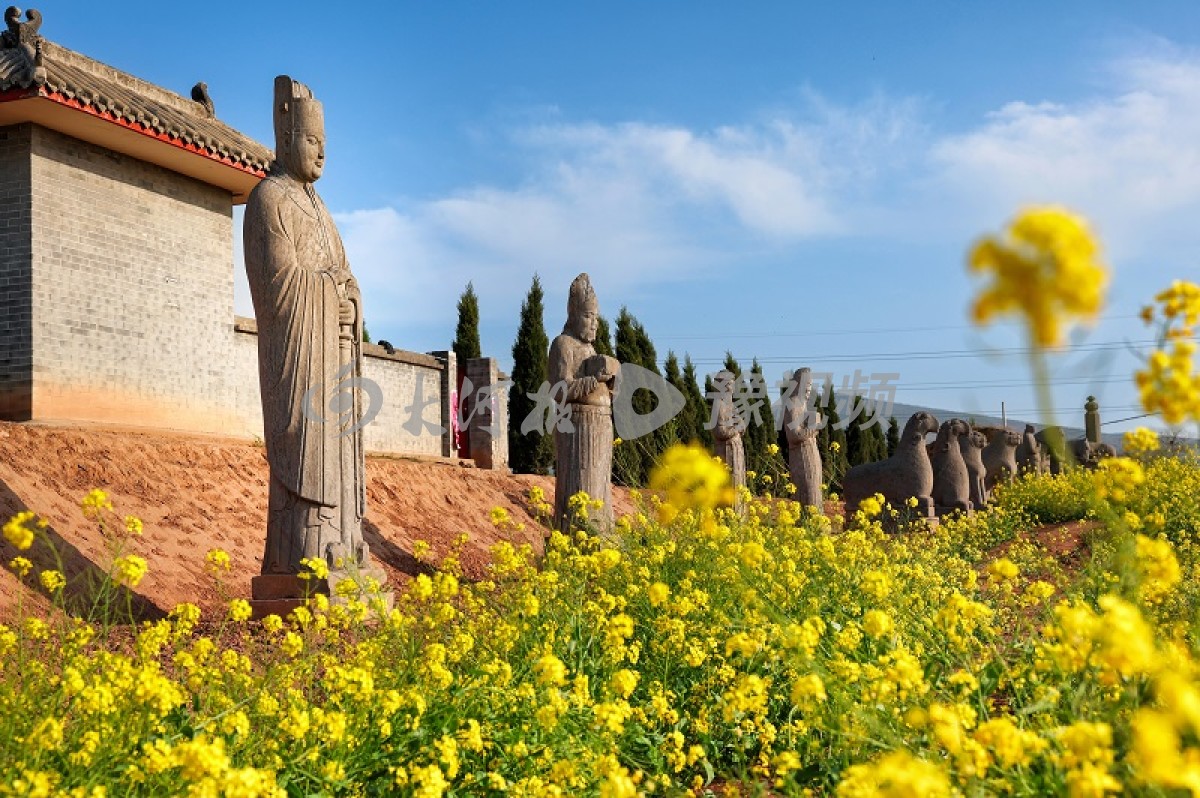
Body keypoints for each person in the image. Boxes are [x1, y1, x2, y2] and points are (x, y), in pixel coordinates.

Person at [243, 76, 367, 575]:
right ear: (288, 136)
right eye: (313, 142)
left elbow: (349, 276)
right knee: (308, 471)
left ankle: (348, 544)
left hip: (335, 354)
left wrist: (350, 303)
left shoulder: (322, 211)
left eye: (325, 144)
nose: (321, 154)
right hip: (302, 356)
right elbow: (278, 285)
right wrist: (327, 292)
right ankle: (304, 558)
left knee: (340, 465)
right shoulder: (268, 200)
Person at [547, 273, 618, 533]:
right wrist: (592, 380)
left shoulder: (589, 350)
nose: (593, 324)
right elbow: (558, 389)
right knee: (581, 482)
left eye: (596, 318)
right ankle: (578, 535)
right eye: (588, 317)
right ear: (574, 314)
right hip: (577, 427)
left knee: (600, 484)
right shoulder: (563, 344)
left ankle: (602, 532)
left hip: (601, 425)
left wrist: (611, 383)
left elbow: (604, 392)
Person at [783, 367, 824, 511]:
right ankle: (808, 521)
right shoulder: (793, 403)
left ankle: (816, 522)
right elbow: (794, 435)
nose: (808, 387)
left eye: (810, 384)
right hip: (801, 455)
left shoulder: (804, 405)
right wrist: (814, 427)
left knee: (815, 488)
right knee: (808, 489)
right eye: (806, 383)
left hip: (811, 451)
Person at [710, 370, 747, 498]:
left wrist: (741, 425)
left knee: (738, 483)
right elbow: (719, 431)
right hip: (725, 451)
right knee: (728, 484)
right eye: (731, 384)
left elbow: (740, 424)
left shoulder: (732, 406)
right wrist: (736, 429)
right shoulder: (718, 405)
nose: (733, 387)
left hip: (736, 449)